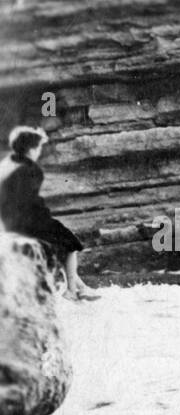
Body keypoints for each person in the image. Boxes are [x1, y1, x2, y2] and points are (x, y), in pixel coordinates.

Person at [0, 126, 93, 300]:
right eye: (39, 148)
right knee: (72, 243)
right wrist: (46, 216)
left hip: (10, 223)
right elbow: (30, 201)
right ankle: (71, 291)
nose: (39, 152)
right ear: (31, 149)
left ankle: (82, 287)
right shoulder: (31, 170)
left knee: (60, 242)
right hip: (29, 221)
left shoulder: (8, 166)